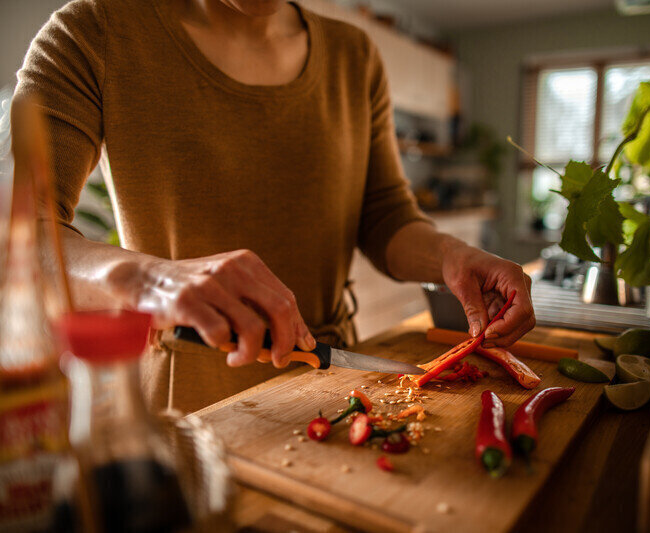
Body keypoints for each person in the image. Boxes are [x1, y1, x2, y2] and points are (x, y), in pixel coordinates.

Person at [14, 0, 535, 412]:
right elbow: (17, 235)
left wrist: (450, 256)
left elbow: (384, 214)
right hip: (192, 404)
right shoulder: (93, 32)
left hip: (337, 387)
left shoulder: (354, 55)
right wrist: (148, 279)